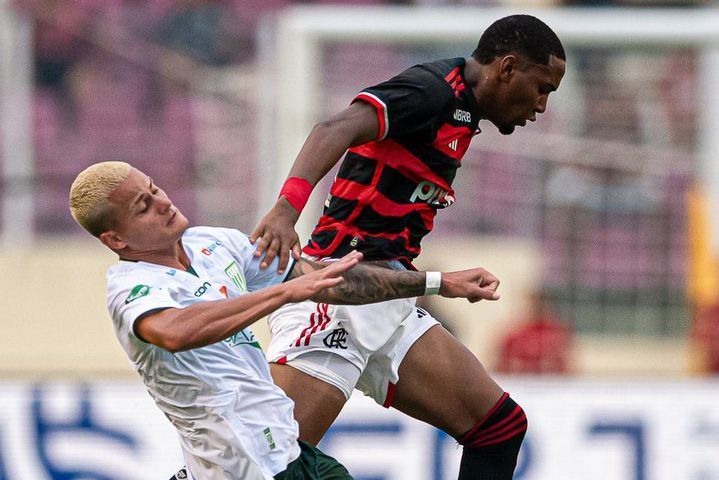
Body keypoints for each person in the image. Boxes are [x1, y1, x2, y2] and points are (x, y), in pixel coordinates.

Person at [250, 14, 566, 479]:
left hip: (388, 297)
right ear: (507, 68)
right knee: (258, 465)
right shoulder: (432, 90)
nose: (541, 105)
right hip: (339, 296)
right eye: (542, 88)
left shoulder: (462, 109)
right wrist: (285, 209)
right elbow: (333, 128)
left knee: (498, 428)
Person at [68, 161, 502, 480]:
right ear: (116, 239)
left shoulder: (212, 245)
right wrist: (284, 292)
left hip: (285, 449)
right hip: (240, 463)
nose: (163, 203)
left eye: (155, 188)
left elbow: (324, 282)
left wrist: (436, 282)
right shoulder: (131, 288)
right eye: (144, 206)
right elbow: (176, 331)